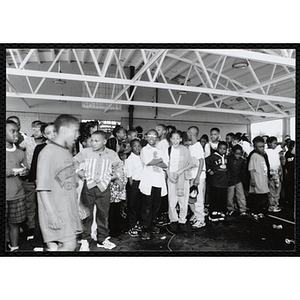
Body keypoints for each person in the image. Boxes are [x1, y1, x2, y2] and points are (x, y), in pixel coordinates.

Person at [36, 114, 82, 251]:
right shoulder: (48, 152)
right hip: (55, 209)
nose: (77, 134)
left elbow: (68, 182)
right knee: (68, 245)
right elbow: (42, 188)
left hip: (67, 209)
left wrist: (78, 205)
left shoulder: (66, 152)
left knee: (69, 245)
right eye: (74, 130)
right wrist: (51, 213)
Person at [74, 130, 124, 251]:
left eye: (96, 141)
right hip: (88, 188)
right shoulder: (85, 152)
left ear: (104, 142)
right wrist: (78, 171)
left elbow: (120, 166)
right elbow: (73, 161)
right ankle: (85, 239)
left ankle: (102, 238)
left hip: (103, 189)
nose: (93, 143)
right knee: (87, 214)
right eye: (92, 140)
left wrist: (114, 177)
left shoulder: (111, 154)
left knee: (103, 215)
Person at [28, 122, 57, 246]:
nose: (52, 135)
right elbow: (35, 169)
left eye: (54, 132)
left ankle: (55, 238)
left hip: (58, 187)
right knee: (41, 213)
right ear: (44, 135)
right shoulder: (40, 148)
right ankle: (39, 241)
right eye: (48, 133)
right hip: (43, 186)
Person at [139, 129, 168, 240]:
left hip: (159, 182)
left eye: (154, 136)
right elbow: (148, 162)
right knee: (147, 206)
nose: (152, 138)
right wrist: (158, 160)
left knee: (156, 206)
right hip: (148, 182)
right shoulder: (144, 150)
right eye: (149, 136)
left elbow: (165, 165)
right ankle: (145, 228)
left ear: (157, 138)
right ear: (146, 137)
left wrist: (157, 160)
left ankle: (153, 225)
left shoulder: (160, 150)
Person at [19, 120, 45, 240]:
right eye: (33, 128)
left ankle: (43, 229)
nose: (35, 131)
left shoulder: (46, 145)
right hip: (30, 178)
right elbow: (17, 149)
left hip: (44, 179)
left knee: (43, 205)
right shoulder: (28, 141)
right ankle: (31, 227)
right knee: (30, 205)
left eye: (38, 129)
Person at [6, 120, 29, 251]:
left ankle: (14, 247)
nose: (16, 134)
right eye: (12, 131)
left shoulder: (20, 152)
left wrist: (25, 172)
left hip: (17, 194)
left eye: (17, 131)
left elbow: (25, 172)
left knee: (15, 224)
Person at [166, 130, 195, 232]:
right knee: (172, 200)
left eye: (177, 138)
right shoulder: (168, 150)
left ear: (181, 139)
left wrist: (180, 171)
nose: (175, 141)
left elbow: (191, 163)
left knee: (183, 200)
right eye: (173, 138)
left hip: (183, 177)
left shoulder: (185, 149)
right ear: (170, 139)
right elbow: (165, 165)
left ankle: (182, 220)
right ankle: (173, 220)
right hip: (171, 177)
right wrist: (169, 176)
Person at [187, 126, 206, 228]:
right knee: (192, 198)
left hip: (198, 176)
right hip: (192, 175)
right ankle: (196, 214)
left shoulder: (198, 146)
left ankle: (201, 220)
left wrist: (198, 177)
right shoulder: (191, 146)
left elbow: (201, 161)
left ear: (190, 133)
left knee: (198, 198)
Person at [247, 136, 270, 222]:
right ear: (255, 147)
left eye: (263, 146)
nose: (262, 148)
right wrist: (252, 179)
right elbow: (251, 169)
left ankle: (260, 211)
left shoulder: (263, 155)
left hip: (263, 180)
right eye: (260, 147)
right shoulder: (254, 156)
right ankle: (254, 212)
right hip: (257, 180)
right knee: (257, 197)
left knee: (263, 196)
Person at [125, 139, 144, 237]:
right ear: (131, 148)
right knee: (132, 205)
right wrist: (132, 188)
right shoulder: (130, 159)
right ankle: (131, 227)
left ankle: (137, 224)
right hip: (134, 184)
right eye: (135, 146)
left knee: (139, 205)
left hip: (142, 183)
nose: (137, 148)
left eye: (139, 146)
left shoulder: (141, 157)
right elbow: (129, 176)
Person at [206, 141, 228, 222]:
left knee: (223, 197)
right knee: (214, 197)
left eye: (224, 149)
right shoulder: (212, 157)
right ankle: (213, 212)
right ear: (217, 148)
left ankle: (220, 211)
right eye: (221, 148)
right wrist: (209, 170)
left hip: (224, 182)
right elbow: (205, 162)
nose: (222, 150)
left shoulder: (226, 157)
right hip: (215, 181)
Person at [226, 144, 248, 217]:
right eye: (236, 154)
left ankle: (243, 209)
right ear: (232, 152)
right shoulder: (228, 159)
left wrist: (244, 181)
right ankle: (230, 209)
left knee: (241, 195)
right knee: (230, 196)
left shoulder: (242, 161)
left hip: (238, 180)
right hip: (230, 181)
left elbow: (243, 172)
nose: (238, 155)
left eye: (239, 154)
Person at [155, 124, 170, 226]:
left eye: (159, 130)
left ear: (164, 131)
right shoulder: (158, 143)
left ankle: (163, 215)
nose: (157, 131)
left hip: (162, 170)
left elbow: (164, 160)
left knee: (162, 193)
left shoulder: (164, 144)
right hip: (156, 171)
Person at [265, 136, 282, 212]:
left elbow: (279, 162)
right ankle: (271, 205)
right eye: (274, 143)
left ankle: (276, 204)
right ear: (269, 143)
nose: (275, 145)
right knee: (271, 189)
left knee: (277, 189)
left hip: (277, 172)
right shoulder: (266, 151)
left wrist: (280, 170)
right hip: (271, 172)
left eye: (276, 143)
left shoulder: (276, 151)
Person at [284, 140, 295, 208]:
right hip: (290, 172)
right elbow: (286, 165)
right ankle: (289, 201)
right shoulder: (288, 153)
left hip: (291, 172)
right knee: (290, 188)